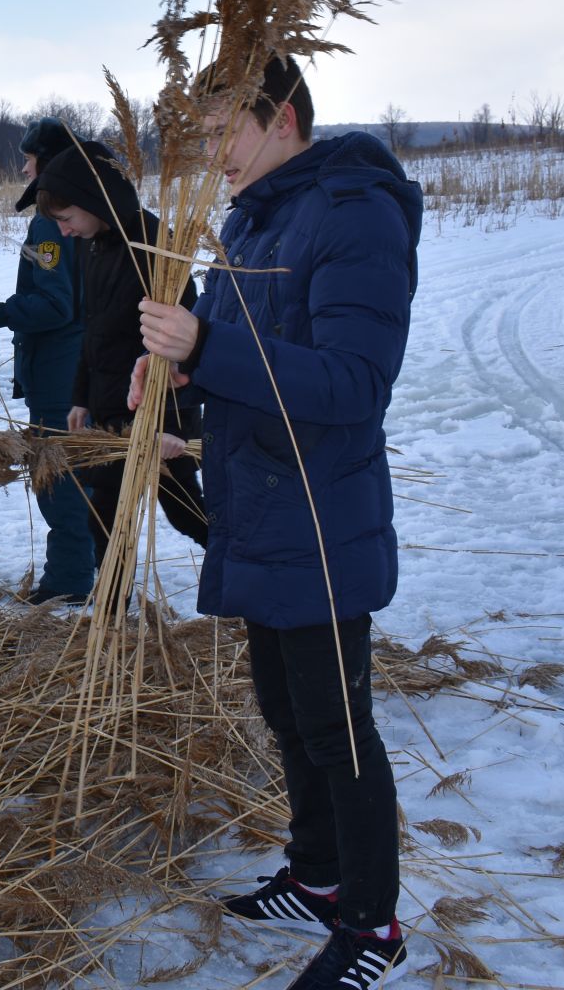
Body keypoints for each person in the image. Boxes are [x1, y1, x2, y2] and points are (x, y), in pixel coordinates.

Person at [134, 55, 419, 990]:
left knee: (339, 728)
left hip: (321, 515)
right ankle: (320, 874)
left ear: (283, 117)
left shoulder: (353, 214)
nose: (209, 154)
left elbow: (352, 384)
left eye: (222, 131)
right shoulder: (254, 216)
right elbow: (238, 351)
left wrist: (208, 344)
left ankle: (371, 929)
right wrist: (179, 370)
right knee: (287, 713)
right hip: (258, 505)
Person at [30, 140, 206, 602]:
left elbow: (182, 349)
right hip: (111, 408)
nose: (64, 232)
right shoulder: (95, 246)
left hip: (158, 416)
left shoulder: (153, 245)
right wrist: (81, 395)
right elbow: (94, 330)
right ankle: (110, 616)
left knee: (186, 511)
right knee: (106, 516)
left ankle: (252, 575)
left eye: (67, 218)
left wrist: (171, 424)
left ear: (92, 200)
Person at [0, 119, 98, 601]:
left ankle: (68, 579)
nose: (23, 167)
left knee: (58, 477)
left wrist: (0, 312)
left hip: (60, 370)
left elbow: (57, 303)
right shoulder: (98, 208)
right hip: (90, 365)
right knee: (91, 470)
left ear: (51, 161)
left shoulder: (48, 222)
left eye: (29, 158)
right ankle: (98, 566)